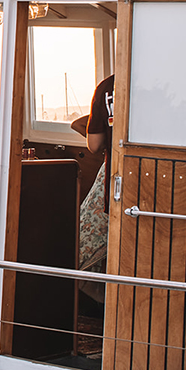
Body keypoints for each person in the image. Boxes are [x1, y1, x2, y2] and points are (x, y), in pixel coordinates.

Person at [72, 75, 114, 303]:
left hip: (115, 177)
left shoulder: (108, 87)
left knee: (81, 245)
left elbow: (95, 144)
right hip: (160, 178)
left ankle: (108, 305)